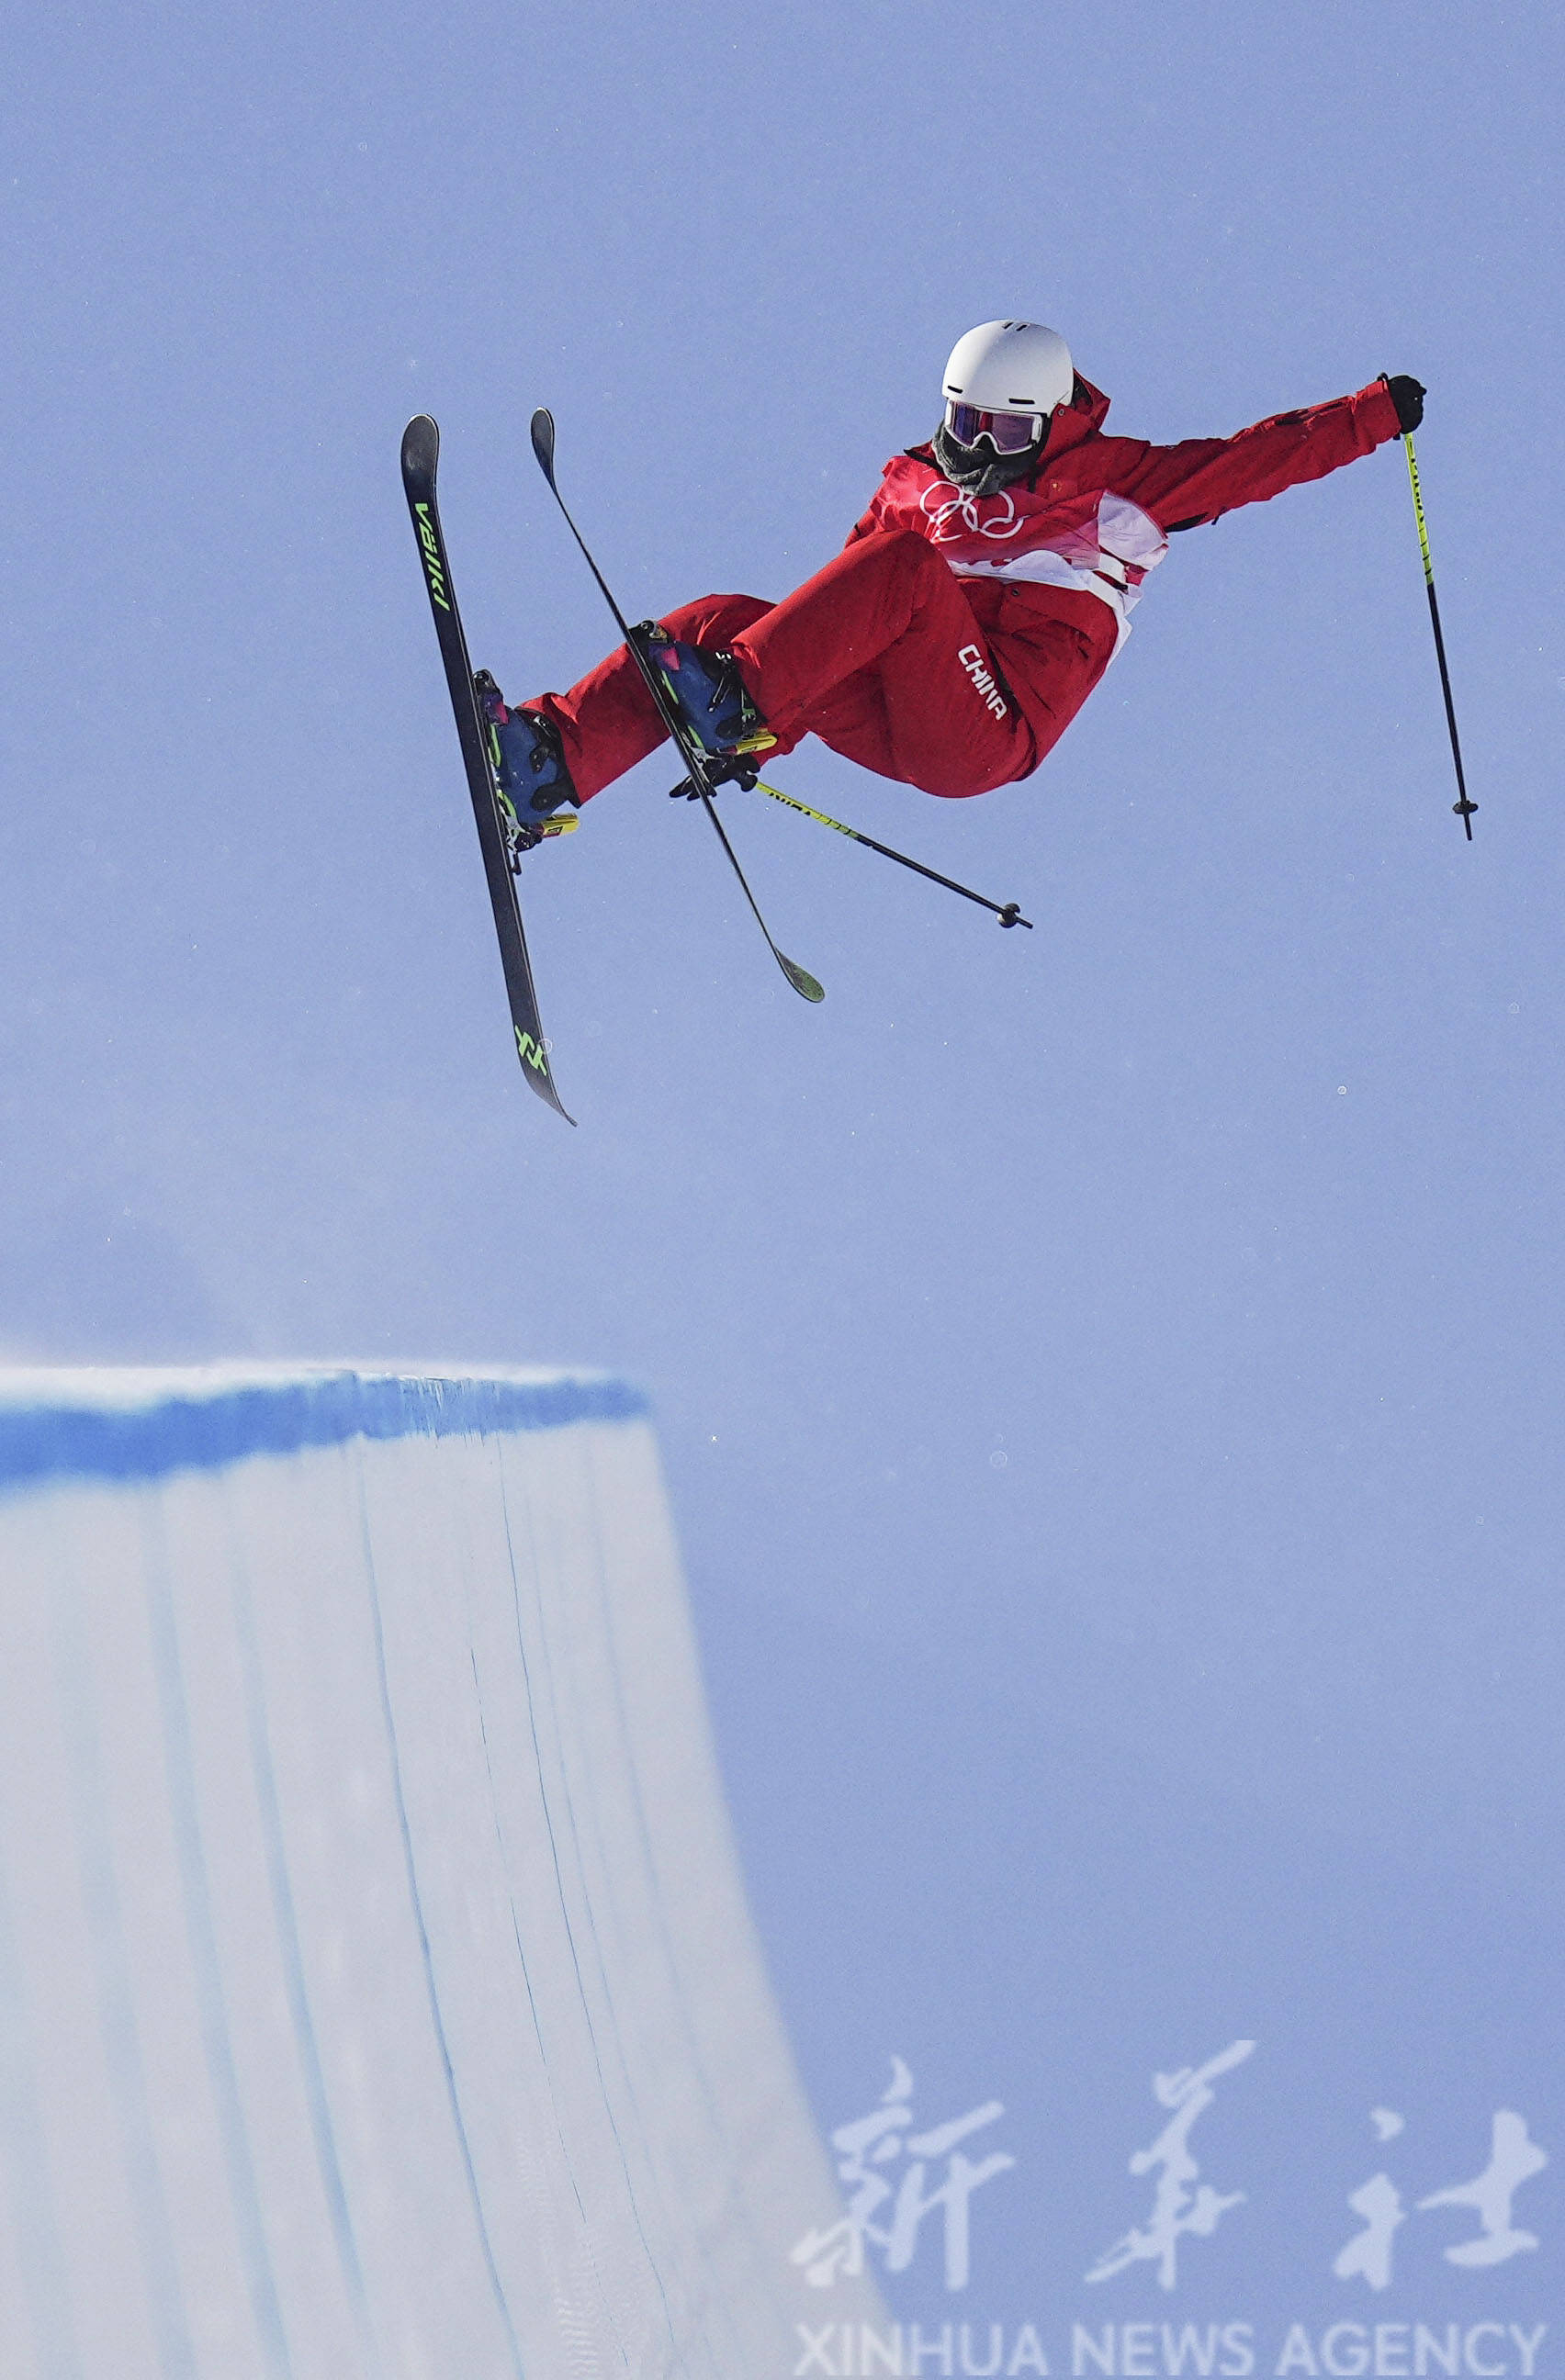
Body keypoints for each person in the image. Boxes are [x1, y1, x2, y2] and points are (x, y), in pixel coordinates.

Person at [481, 321, 1424, 830]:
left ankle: (738, 704)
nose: (979, 452)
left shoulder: (1119, 484)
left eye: (1007, 434)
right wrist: (767, 731)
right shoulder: (913, 482)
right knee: (714, 617)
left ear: (1053, 422)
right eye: (966, 425)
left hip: (985, 725)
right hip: (890, 705)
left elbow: (1267, 455)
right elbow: (833, 616)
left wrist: (1372, 413)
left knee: (902, 570)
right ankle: (548, 763)